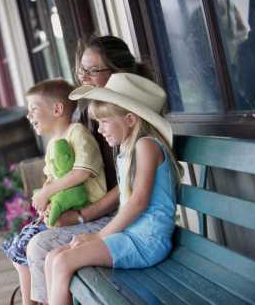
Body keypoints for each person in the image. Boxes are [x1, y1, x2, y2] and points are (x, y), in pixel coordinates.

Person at [25, 35, 153, 304]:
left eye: (92, 70)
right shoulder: (90, 113)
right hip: (115, 218)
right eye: (81, 70)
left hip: (129, 224)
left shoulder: (137, 120)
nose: (83, 77)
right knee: (35, 245)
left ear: (118, 73)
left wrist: (82, 217)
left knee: (41, 248)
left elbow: (132, 187)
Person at [45, 73, 182, 305]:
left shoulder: (146, 145)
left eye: (104, 122)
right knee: (52, 256)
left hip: (146, 240)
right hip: (131, 235)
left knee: (63, 262)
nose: (99, 130)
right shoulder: (128, 149)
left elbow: (138, 202)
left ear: (130, 119)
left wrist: (99, 235)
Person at [2, 79, 107, 305]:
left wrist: (46, 192)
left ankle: (37, 301)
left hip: (89, 212)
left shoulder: (77, 133)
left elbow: (81, 173)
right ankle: (31, 301)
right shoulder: (52, 144)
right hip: (66, 211)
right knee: (18, 248)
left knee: (31, 246)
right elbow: (52, 177)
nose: (29, 117)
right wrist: (46, 200)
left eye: (33, 110)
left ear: (57, 109)